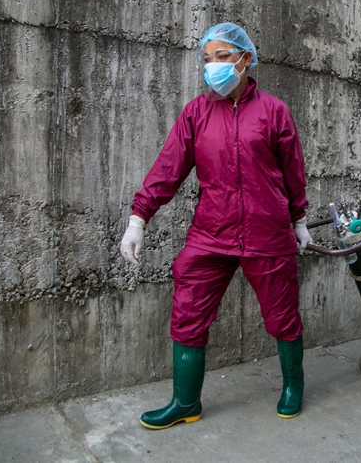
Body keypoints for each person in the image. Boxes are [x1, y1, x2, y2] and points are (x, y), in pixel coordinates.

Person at [119, 22, 313, 428]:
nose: (214, 67)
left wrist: (299, 220)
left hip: (267, 231)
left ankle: (293, 386)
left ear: (245, 59)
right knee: (188, 308)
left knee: (282, 313)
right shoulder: (197, 112)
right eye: (207, 60)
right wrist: (139, 218)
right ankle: (185, 403)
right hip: (212, 231)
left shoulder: (274, 111)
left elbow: (293, 171)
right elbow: (168, 168)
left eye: (223, 57)